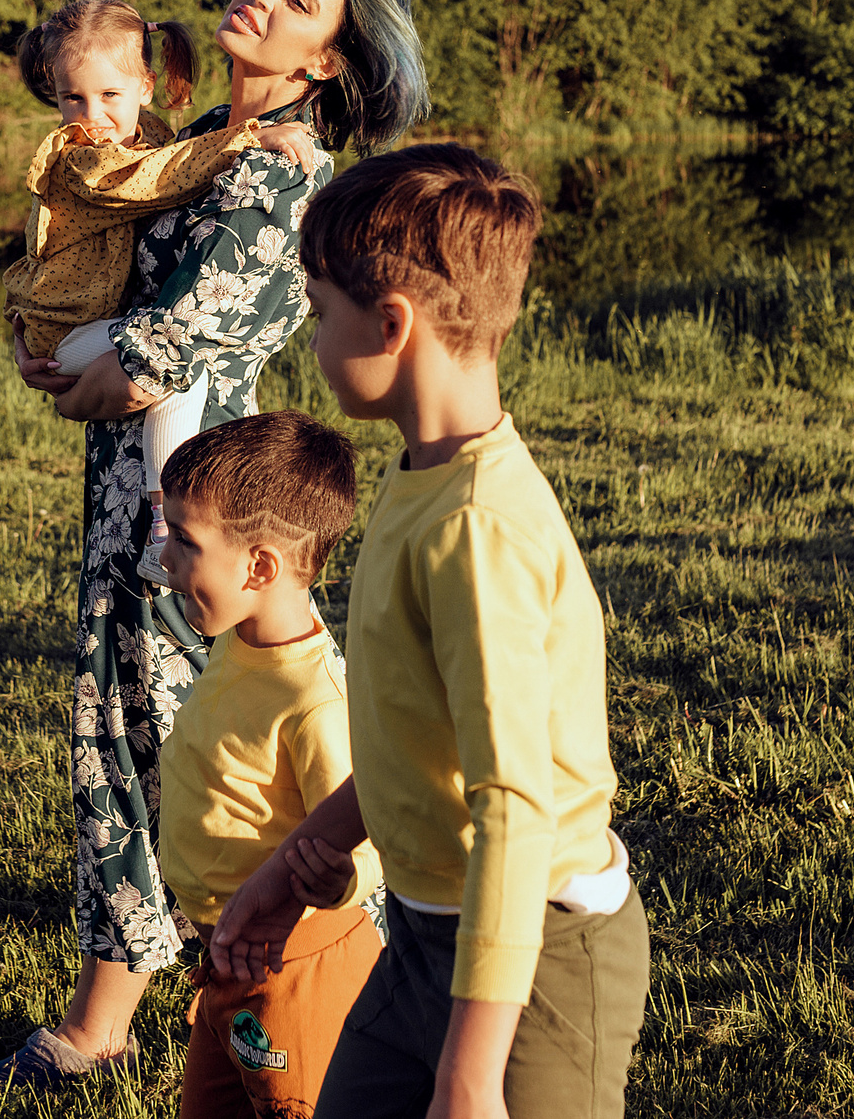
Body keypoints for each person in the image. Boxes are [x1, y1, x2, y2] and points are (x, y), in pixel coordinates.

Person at [0, 0, 429, 1094]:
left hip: (196, 504)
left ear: (326, 57)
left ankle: (125, 1021)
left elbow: (159, 353)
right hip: (143, 484)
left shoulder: (279, 173)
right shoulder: (190, 145)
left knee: (156, 741)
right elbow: (110, 301)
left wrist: (83, 369)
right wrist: (64, 347)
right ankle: (199, 974)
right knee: (145, 732)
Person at [208, 146, 650, 1118]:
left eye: (320, 314)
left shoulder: (474, 530)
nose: (313, 343)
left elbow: (512, 805)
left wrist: (468, 1074)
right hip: (423, 938)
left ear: (392, 323)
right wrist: (292, 868)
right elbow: (421, 729)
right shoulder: (427, 476)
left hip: (532, 965)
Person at [1, 0, 318, 555]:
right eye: (71, 97)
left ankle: (165, 521)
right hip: (65, 333)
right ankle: (165, 522)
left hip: (88, 326)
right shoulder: (86, 157)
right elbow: (153, 178)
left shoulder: (155, 135)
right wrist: (245, 138)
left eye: (108, 95)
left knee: (174, 369)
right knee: (178, 371)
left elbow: (172, 162)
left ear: (145, 87)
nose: (90, 114)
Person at [149, 410, 387, 1119]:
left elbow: (373, 818)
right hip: (227, 958)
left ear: (259, 567)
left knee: (298, 1108)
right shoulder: (240, 636)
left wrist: (343, 876)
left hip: (295, 968)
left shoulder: (313, 699)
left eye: (185, 542)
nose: (165, 559)